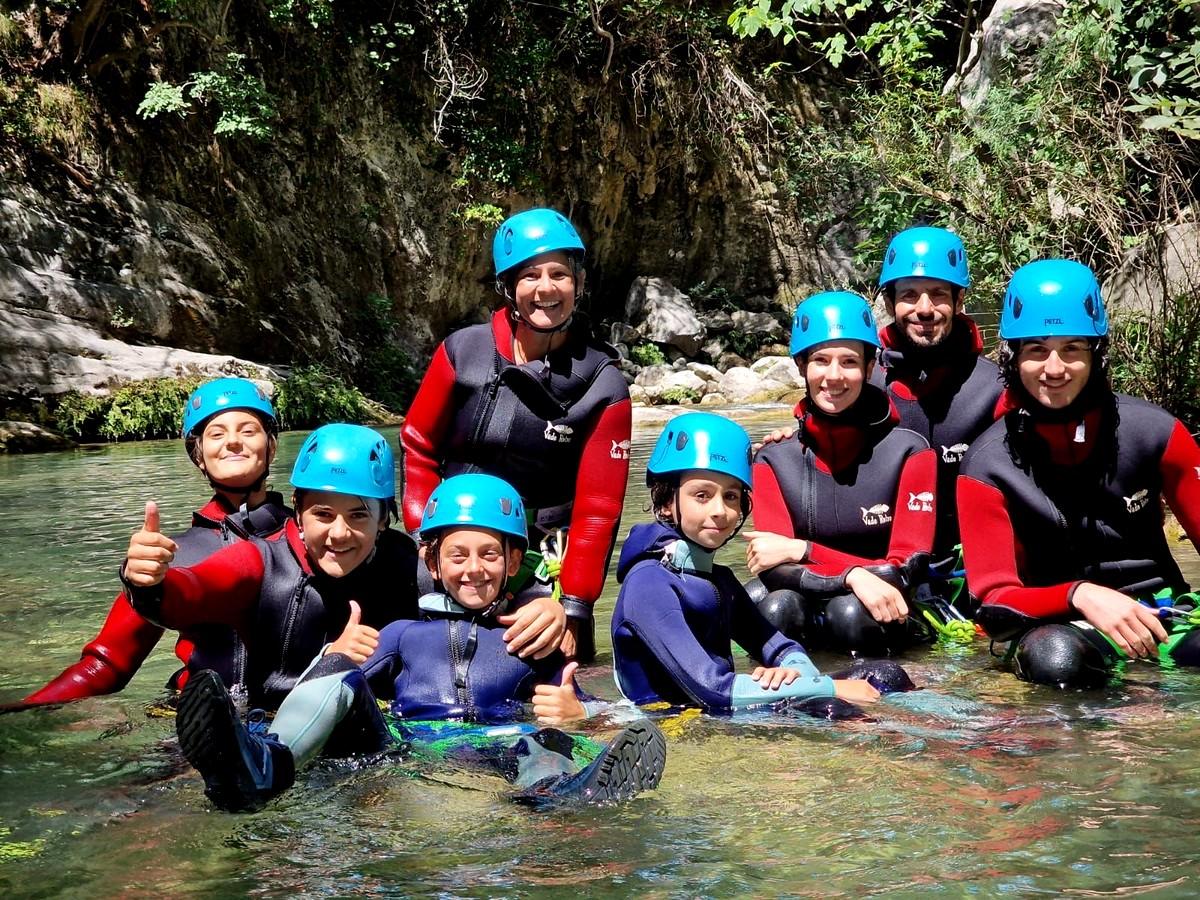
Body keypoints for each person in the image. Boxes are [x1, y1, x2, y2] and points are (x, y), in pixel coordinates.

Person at [173, 473, 666, 812]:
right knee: (341, 671)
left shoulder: (528, 638)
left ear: (515, 563)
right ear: (432, 564)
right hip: (409, 748)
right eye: (457, 555)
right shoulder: (403, 634)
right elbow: (328, 694)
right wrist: (334, 655)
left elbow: (603, 706)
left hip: (498, 745)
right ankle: (265, 761)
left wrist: (582, 714)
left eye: (490, 554)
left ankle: (567, 794)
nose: (474, 568)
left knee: (541, 739)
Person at [400, 208, 631, 660]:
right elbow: (417, 447)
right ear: (509, 288)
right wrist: (423, 539)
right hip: (454, 542)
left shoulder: (605, 385)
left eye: (560, 274)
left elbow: (598, 511)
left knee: (561, 672)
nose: (546, 288)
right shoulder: (462, 352)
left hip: (543, 555)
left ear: (578, 285)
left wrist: (573, 607)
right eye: (529, 276)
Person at [959, 259, 1200, 688]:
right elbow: (994, 603)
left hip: (1162, 613)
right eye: (1036, 350)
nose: (1055, 368)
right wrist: (1080, 594)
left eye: (1072, 348)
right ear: (1013, 358)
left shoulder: (1156, 432)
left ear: (1096, 353)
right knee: (1058, 660)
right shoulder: (986, 464)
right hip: (1062, 625)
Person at [610, 412, 906, 717]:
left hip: (719, 707)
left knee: (886, 675)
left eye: (731, 496)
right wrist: (828, 688)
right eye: (702, 495)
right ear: (666, 503)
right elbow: (713, 690)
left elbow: (778, 647)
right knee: (833, 706)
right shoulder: (648, 583)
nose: (719, 511)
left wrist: (792, 673)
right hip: (674, 720)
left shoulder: (718, 579)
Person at [22, 377, 291, 707]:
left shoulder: (316, 536)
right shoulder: (169, 555)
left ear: (272, 446)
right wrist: (21, 708)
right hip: (196, 718)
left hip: (288, 713)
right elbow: (104, 666)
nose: (233, 442)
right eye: (217, 434)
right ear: (199, 457)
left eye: (248, 431)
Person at [124, 423, 421, 711]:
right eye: (323, 514)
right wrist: (149, 583)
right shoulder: (259, 561)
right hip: (260, 728)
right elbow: (189, 592)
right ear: (299, 511)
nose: (339, 533)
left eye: (358, 516)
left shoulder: (405, 562)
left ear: (383, 518)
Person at [746, 292, 938, 656]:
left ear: (869, 369)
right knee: (771, 607)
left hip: (883, 610)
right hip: (805, 601)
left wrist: (803, 550)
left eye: (849, 362)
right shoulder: (773, 458)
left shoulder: (911, 452)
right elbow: (769, 565)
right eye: (821, 360)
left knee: (849, 612)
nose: (834, 376)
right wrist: (851, 575)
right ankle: (783, 709)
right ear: (802, 366)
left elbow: (906, 568)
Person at [874, 226, 1004, 566]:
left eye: (938, 294)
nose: (925, 308)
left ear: (959, 300)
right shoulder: (863, 385)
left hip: (976, 565)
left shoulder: (997, 388)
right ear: (889, 303)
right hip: (886, 566)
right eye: (909, 295)